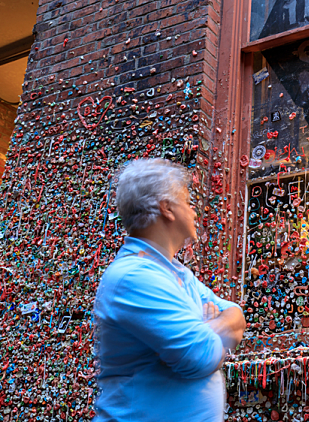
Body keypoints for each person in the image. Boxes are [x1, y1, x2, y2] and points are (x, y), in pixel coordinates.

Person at [93, 158, 246, 421]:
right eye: (188, 202)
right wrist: (212, 330)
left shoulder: (178, 273)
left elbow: (236, 316)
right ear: (167, 209)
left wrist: (205, 328)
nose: (194, 212)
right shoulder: (134, 277)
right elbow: (200, 356)